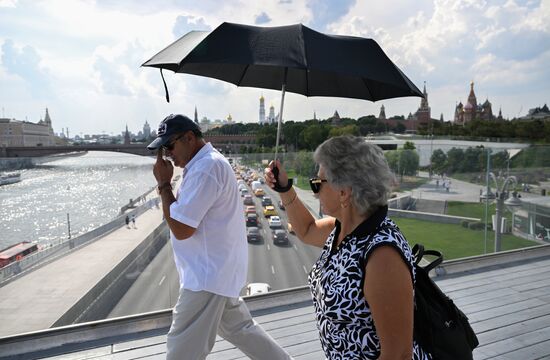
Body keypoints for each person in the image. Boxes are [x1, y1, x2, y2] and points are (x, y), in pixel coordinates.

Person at [265, 135, 431, 360]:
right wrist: (284, 188)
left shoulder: (382, 255)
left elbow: (398, 355)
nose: (314, 191)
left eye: (318, 183)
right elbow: (305, 229)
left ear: (344, 192)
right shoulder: (343, 228)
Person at [148, 114, 291, 360]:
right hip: (216, 273)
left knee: (180, 350)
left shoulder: (206, 169)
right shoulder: (205, 165)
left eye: (169, 146)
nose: (167, 153)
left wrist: (163, 184)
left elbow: (182, 229)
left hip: (205, 278)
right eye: (163, 148)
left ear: (189, 138)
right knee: (243, 331)